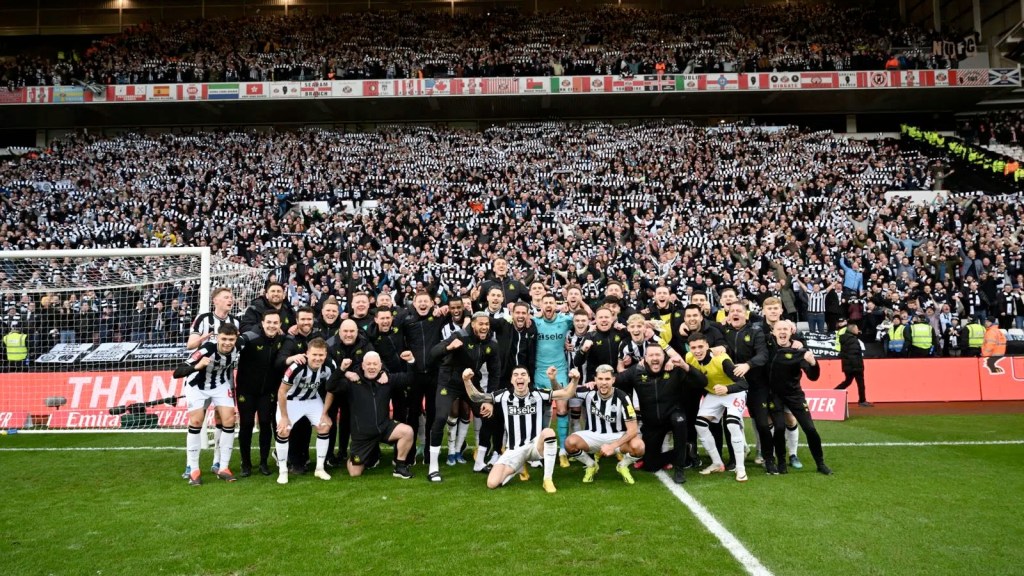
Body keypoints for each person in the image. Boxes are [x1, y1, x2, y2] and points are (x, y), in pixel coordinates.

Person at [464, 366, 580, 493]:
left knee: (549, 432)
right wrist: (466, 380)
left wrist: (575, 380)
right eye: (516, 375)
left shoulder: (538, 394)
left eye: (523, 374)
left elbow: (566, 394)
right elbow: (477, 397)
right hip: (514, 450)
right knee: (492, 483)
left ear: (529, 379)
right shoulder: (502, 395)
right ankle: (519, 467)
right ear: (512, 380)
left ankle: (547, 480)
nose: (520, 377)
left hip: (535, 447)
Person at [426, 311, 500, 482]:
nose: (484, 327)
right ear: (473, 324)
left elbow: (495, 373)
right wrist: (449, 347)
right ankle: (433, 467)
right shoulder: (460, 335)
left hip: (471, 385)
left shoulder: (492, 343)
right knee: (441, 418)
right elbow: (433, 353)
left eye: (487, 324)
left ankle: (479, 462)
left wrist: (489, 400)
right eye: (480, 324)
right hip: (449, 383)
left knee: (489, 415)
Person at [615, 346, 706, 484]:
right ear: (645, 357)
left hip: (673, 414)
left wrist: (684, 365)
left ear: (664, 357)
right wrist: (593, 383)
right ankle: (685, 450)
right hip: (652, 422)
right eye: (651, 355)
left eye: (658, 355)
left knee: (679, 421)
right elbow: (615, 380)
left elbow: (702, 382)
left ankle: (679, 468)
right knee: (650, 465)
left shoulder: (675, 368)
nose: (655, 358)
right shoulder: (637, 370)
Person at [325, 351, 416, 479]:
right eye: (368, 364)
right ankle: (355, 457)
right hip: (362, 435)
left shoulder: (387, 379)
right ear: (363, 365)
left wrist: (411, 361)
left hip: (384, 427)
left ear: (380, 366)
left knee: (407, 431)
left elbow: (410, 379)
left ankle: (400, 467)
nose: (372, 367)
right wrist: (342, 370)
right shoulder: (352, 381)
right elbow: (330, 386)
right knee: (355, 473)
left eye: (375, 364)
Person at [173, 323, 244, 486]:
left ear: (236, 338)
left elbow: (252, 336)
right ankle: (194, 469)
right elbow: (177, 373)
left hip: (219, 384)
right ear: (218, 337)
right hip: (197, 385)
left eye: (231, 339)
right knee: (196, 421)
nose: (227, 343)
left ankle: (223, 468)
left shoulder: (240, 344)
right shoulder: (207, 349)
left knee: (229, 420)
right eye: (224, 339)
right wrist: (198, 366)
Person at [182, 287, 240, 478]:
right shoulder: (204, 319)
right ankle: (191, 467)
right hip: (199, 375)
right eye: (226, 297)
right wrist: (205, 339)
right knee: (197, 420)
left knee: (223, 420)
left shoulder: (236, 322)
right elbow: (190, 345)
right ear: (215, 300)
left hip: (223, 378)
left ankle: (218, 462)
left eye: (231, 297)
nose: (230, 300)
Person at [766, 320, 833, 475]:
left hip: (794, 395)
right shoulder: (767, 347)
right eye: (779, 329)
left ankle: (820, 463)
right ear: (773, 332)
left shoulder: (799, 350)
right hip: (774, 395)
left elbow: (813, 376)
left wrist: (814, 363)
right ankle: (781, 462)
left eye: (785, 329)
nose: (782, 332)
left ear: (791, 332)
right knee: (780, 428)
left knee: (810, 429)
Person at [685, 332, 750, 482]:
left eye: (701, 346)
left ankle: (740, 469)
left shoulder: (722, 360)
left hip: (734, 391)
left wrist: (728, 389)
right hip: (714, 394)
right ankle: (717, 462)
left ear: (708, 346)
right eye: (693, 347)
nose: (697, 350)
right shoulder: (689, 358)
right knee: (700, 425)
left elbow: (744, 384)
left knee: (732, 425)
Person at [274, 338, 336, 484]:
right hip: (291, 401)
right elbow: (282, 391)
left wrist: (325, 413)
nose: (318, 358)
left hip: (313, 399)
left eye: (321, 355)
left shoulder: (330, 365)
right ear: (307, 353)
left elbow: (331, 390)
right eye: (314, 355)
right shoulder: (296, 367)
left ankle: (320, 468)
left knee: (324, 426)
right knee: (283, 430)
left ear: (326, 354)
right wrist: (284, 416)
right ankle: (282, 470)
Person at [235, 310, 285, 477]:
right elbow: (237, 344)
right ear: (262, 323)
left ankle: (264, 462)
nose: (272, 325)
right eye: (268, 322)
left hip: (268, 392)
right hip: (246, 390)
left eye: (275, 323)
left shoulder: (282, 340)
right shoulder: (250, 337)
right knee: (246, 424)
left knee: (265, 424)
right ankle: (246, 464)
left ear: (280, 325)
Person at [274, 306, 318, 473]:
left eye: (309, 319)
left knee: (307, 426)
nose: (306, 322)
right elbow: (279, 362)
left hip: (310, 390)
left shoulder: (317, 337)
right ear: (297, 321)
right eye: (303, 319)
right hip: (290, 391)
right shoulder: (290, 340)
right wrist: (293, 358)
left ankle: (303, 457)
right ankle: (291, 460)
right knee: (291, 426)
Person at [835, 323, 872, 407]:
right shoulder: (853, 340)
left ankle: (835, 392)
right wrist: (858, 367)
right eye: (857, 328)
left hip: (848, 366)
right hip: (855, 366)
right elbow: (854, 354)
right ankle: (862, 400)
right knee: (860, 383)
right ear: (853, 330)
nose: (858, 330)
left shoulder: (845, 339)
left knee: (847, 381)